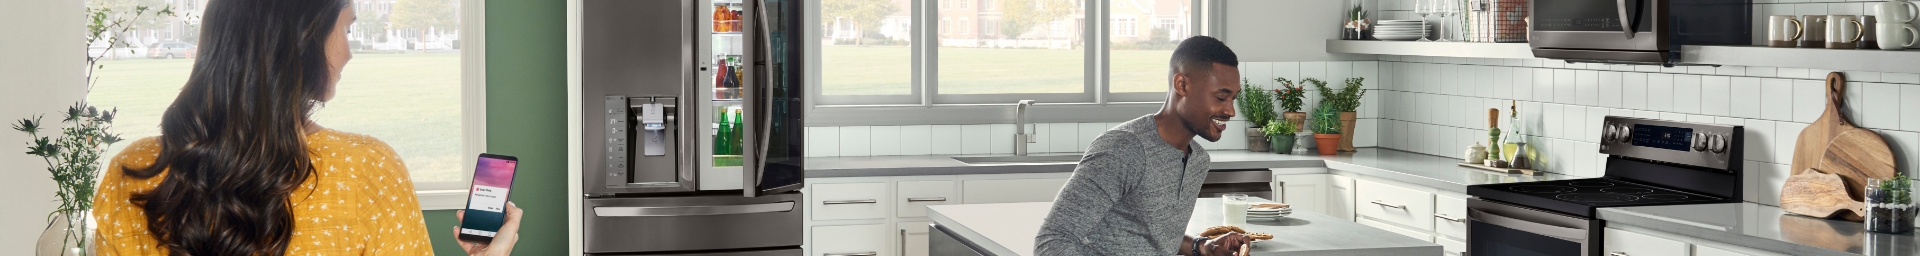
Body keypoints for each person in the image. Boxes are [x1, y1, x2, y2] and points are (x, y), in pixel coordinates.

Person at [89, 0, 521, 255]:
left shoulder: (132, 171)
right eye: (347, 28)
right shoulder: (368, 169)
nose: (349, 53)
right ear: (304, 37)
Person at [1034, 36, 1249, 256]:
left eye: (1233, 98)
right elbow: (1051, 243)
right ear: (1182, 85)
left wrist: (1202, 247)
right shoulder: (1123, 149)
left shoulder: (1198, 160)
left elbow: (1155, 239)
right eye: (1221, 97)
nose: (1231, 111)